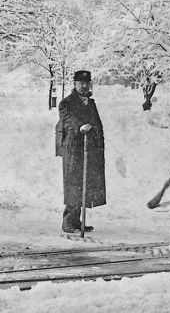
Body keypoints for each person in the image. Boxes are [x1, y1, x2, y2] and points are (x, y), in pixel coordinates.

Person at [55, 70, 106, 233]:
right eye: (80, 83)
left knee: (85, 183)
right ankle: (67, 221)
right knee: (73, 183)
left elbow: (97, 122)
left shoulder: (91, 103)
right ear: (75, 84)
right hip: (72, 148)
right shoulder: (66, 103)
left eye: (86, 83)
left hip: (88, 148)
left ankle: (77, 221)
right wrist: (80, 126)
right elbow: (68, 120)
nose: (84, 86)